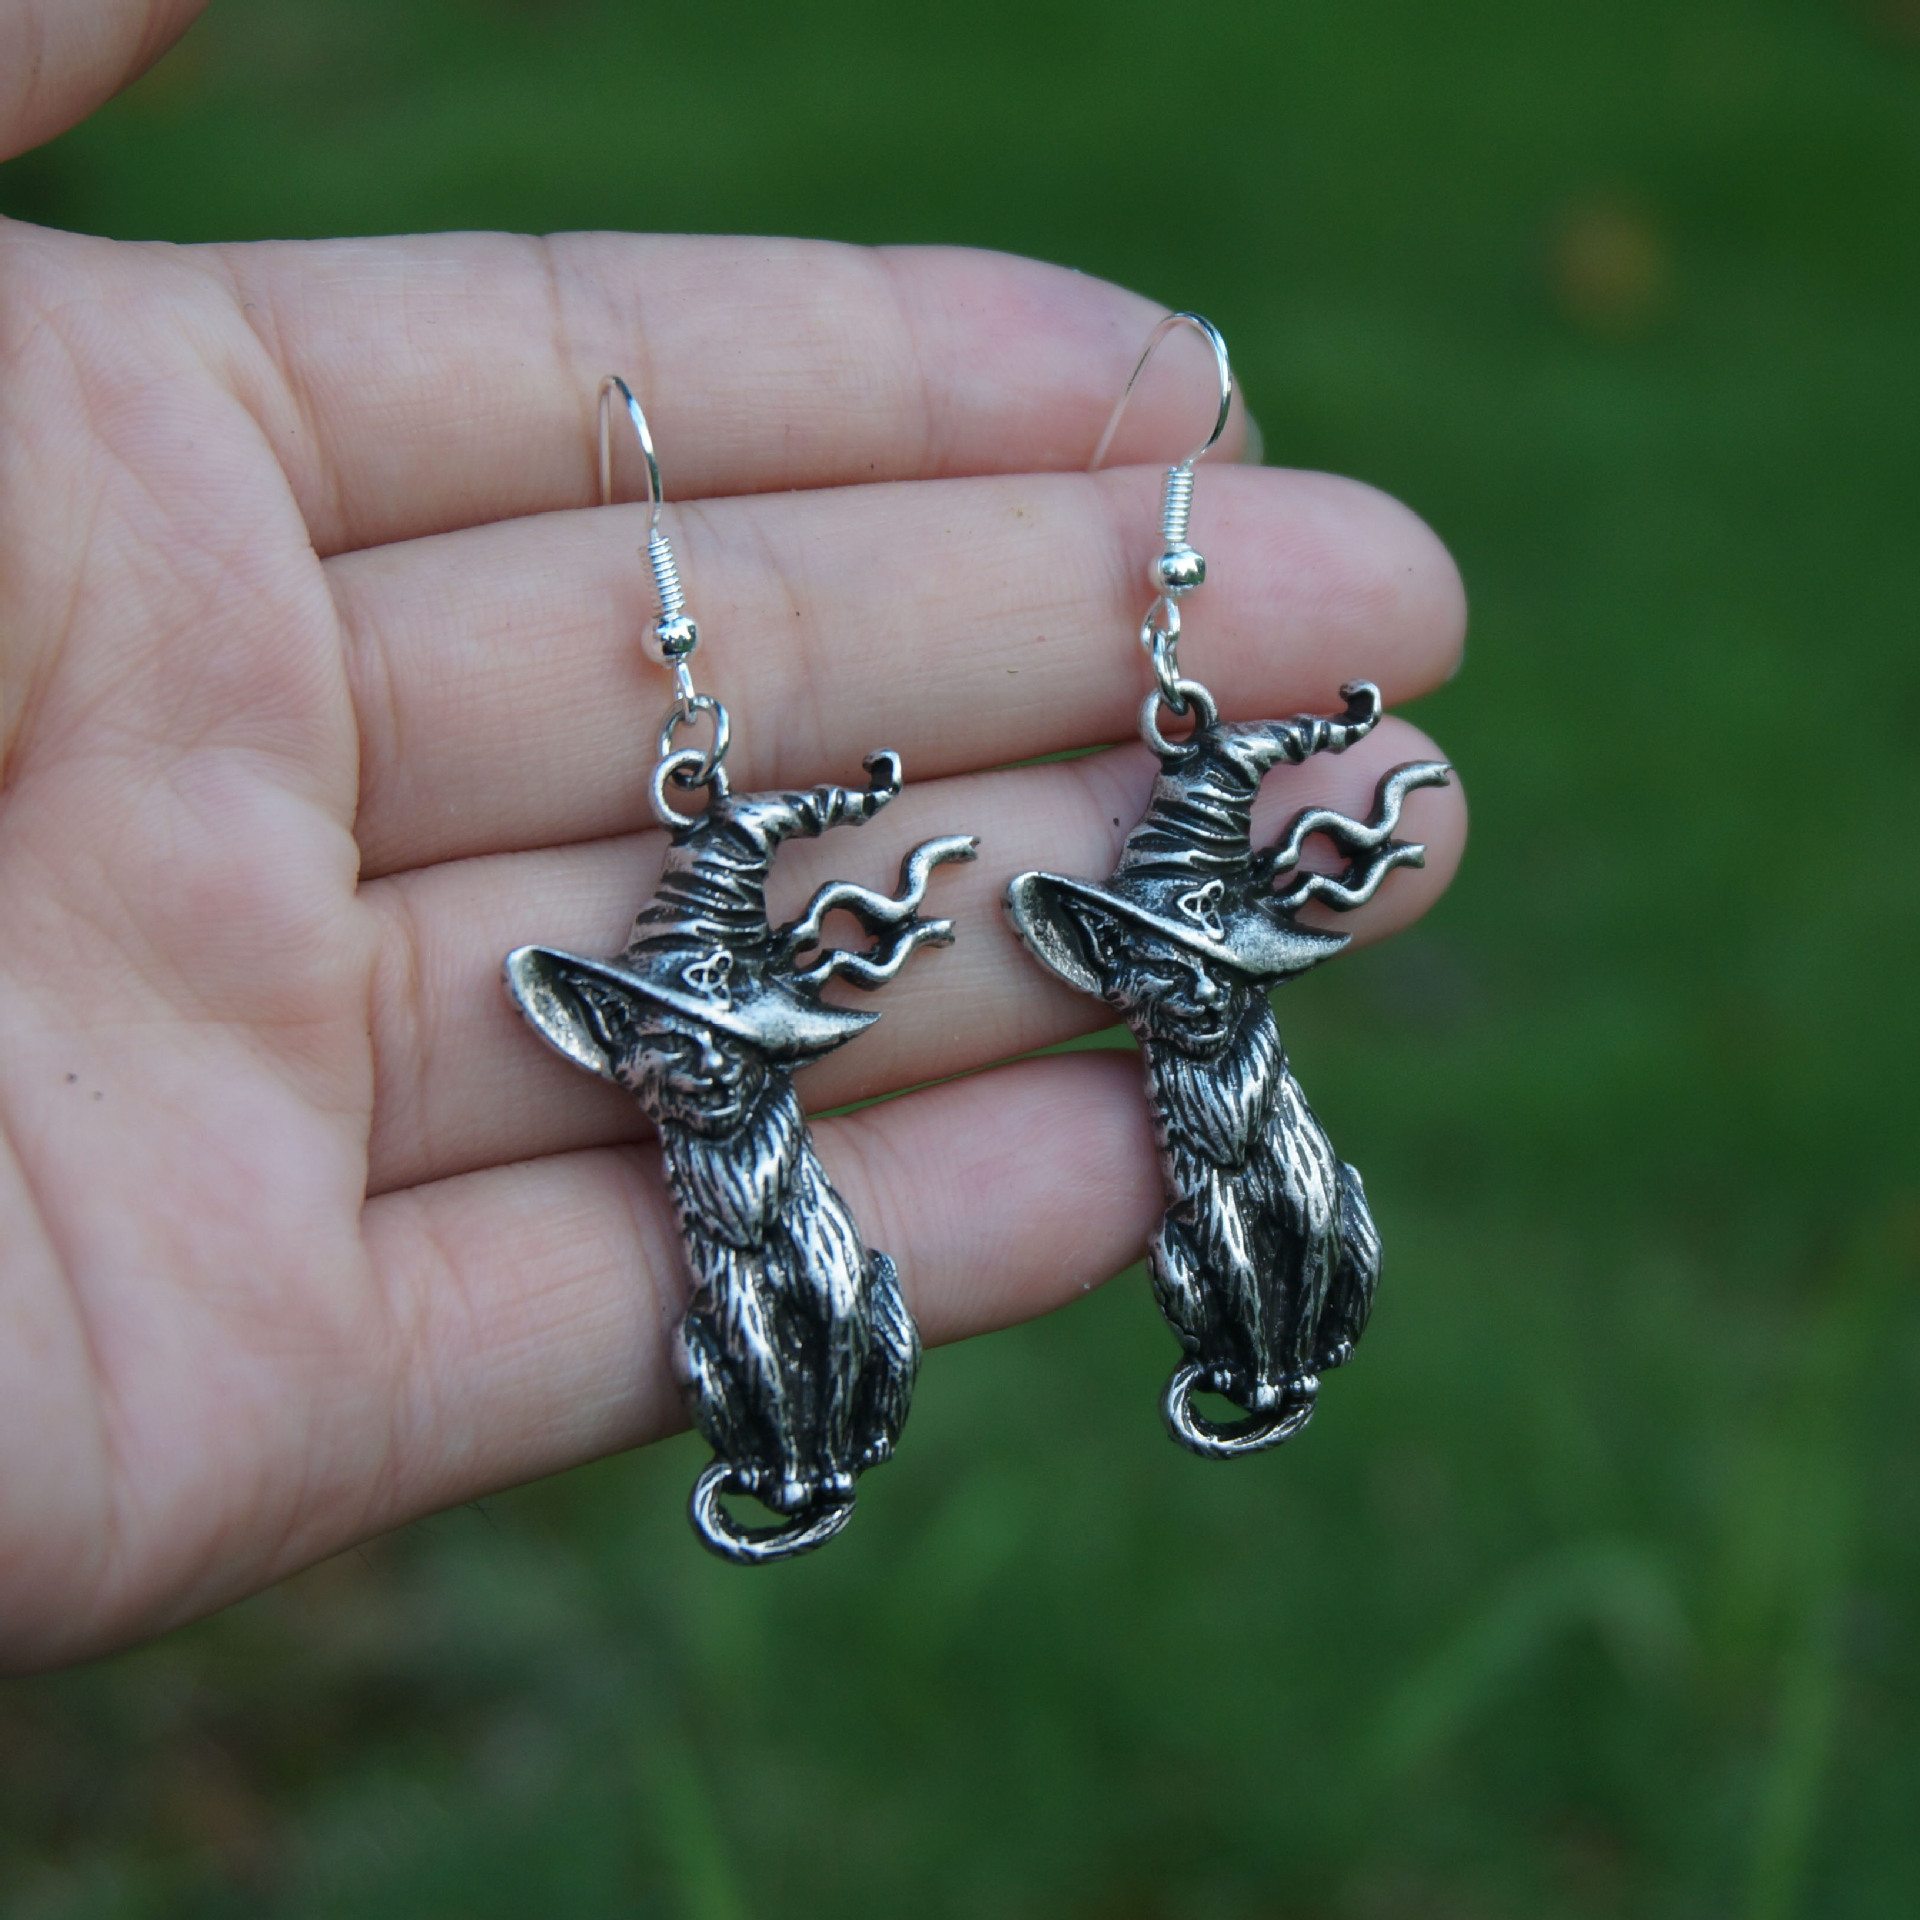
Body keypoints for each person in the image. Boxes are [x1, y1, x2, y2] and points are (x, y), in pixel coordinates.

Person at [0, 0, 1467, 1669]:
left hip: (1030, 1126)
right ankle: (800, 1453)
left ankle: (1226, 1353)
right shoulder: (705, 1077)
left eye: (710, 1043)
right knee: (781, 1311)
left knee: (1251, 1199)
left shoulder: (1148, 977)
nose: (698, 1073)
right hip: (746, 1237)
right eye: (680, 1050)